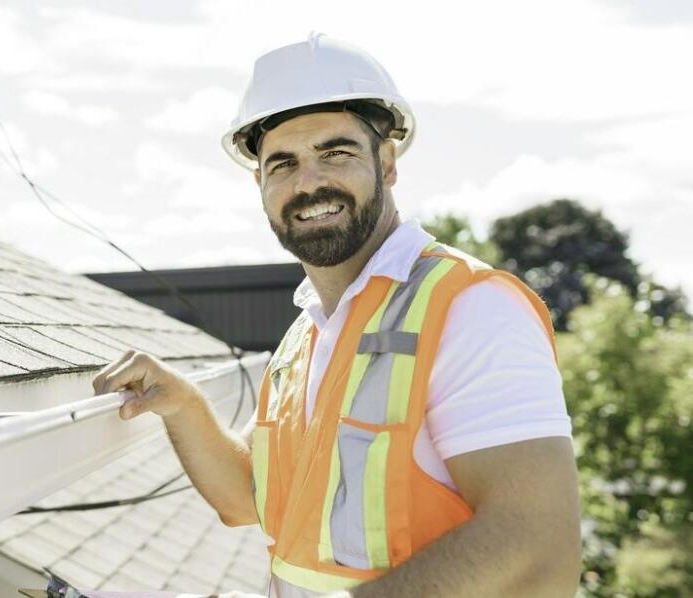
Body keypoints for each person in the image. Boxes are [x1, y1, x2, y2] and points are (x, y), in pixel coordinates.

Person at [92, 33, 580, 598]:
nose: (309, 182)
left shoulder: (471, 308)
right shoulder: (308, 334)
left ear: (388, 161)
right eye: (283, 163)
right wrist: (182, 403)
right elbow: (246, 497)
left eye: (336, 153)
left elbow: (539, 547)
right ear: (261, 183)